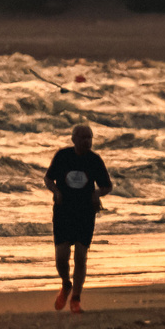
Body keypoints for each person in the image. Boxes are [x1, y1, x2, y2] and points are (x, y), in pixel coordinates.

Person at [43, 123, 112, 313]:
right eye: (83, 137)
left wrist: (97, 194)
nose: (87, 141)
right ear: (74, 139)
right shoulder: (63, 156)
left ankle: (76, 298)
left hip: (85, 213)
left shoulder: (95, 160)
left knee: (81, 256)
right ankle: (66, 284)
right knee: (61, 257)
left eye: (89, 138)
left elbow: (107, 186)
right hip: (64, 212)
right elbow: (48, 179)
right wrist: (56, 191)